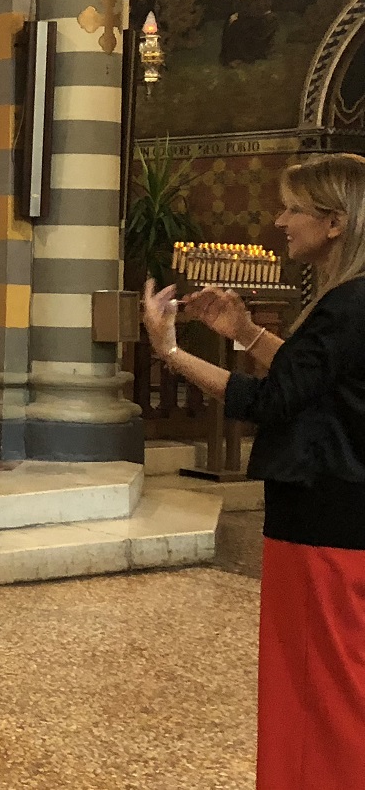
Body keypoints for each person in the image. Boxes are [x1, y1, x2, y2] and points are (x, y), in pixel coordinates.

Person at [141, 154, 365, 786]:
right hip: (343, 509)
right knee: (331, 674)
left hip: (325, 516)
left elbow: (269, 402)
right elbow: (311, 379)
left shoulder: (346, 305)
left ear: (335, 223)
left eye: (294, 208)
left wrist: (171, 351)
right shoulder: (350, 302)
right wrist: (244, 333)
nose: (280, 220)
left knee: (325, 682)